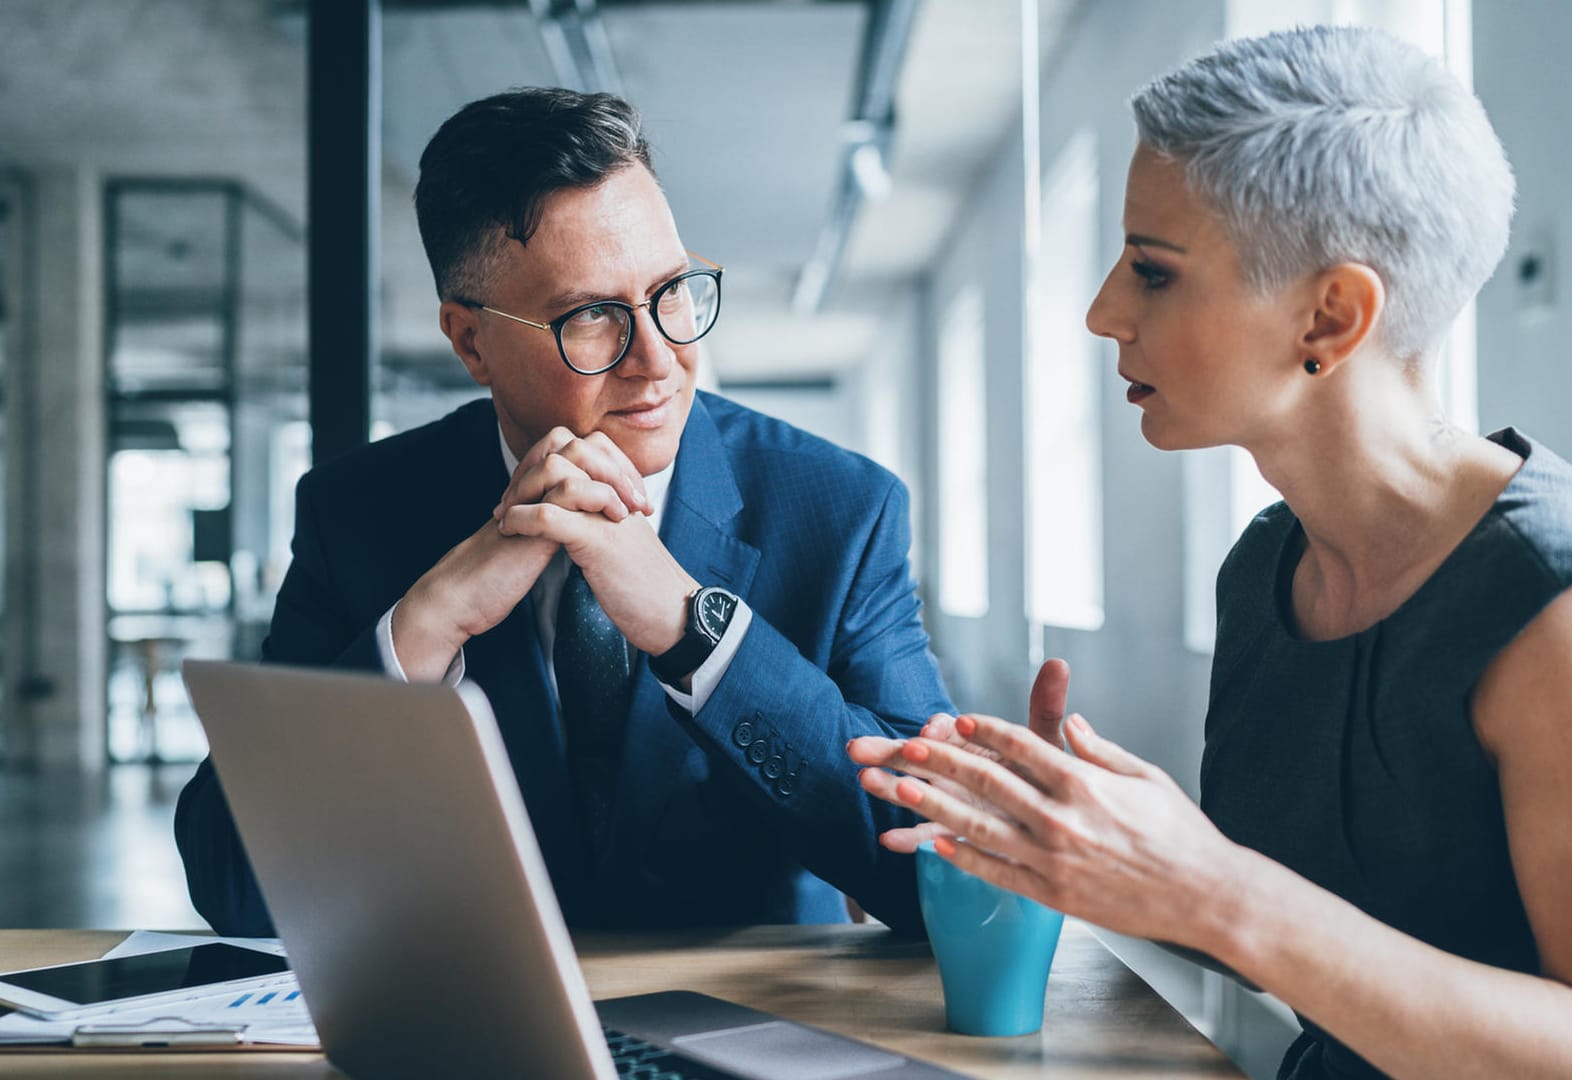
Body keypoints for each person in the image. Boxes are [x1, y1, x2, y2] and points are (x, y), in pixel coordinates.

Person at [851, 25, 1572, 1080]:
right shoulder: (1267, 567)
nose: (1103, 313)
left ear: (1331, 314)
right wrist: (1091, 844)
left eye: (1152, 271)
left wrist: (1213, 888)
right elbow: (1310, 943)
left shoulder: (1549, 606)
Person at [177, 87, 952, 937]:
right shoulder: (358, 513)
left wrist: (700, 635)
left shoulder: (842, 510)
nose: (660, 360)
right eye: (592, 317)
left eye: (673, 290)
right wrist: (425, 627)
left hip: (755, 1032)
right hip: (476, 1031)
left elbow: (934, 870)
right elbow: (234, 886)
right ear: (470, 342)